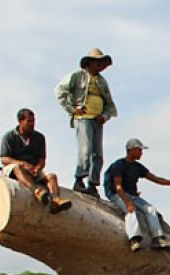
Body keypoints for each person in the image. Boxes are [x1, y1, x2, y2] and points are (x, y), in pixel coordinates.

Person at [104, 138, 170, 252]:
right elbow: (118, 186)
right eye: (139, 150)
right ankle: (134, 239)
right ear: (131, 150)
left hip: (133, 195)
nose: (141, 153)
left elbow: (156, 179)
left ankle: (157, 238)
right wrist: (127, 202)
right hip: (117, 194)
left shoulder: (137, 167)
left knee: (151, 209)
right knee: (131, 211)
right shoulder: (119, 164)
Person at [55, 48, 118, 197]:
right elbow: (60, 91)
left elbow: (109, 104)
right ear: (90, 63)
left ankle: (92, 184)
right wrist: (72, 109)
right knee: (85, 150)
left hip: (97, 120)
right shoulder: (77, 76)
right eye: (98, 63)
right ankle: (79, 180)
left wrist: (105, 116)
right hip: (83, 118)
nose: (101, 66)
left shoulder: (102, 81)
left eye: (102, 64)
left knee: (98, 155)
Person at [0, 108, 71, 213]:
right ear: (20, 121)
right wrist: (23, 164)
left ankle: (55, 200)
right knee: (17, 168)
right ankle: (36, 191)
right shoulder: (9, 136)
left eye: (33, 121)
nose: (32, 124)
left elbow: (42, 159)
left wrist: (38, 168)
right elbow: (4, 158)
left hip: (32, 169)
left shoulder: (39, 137)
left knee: (51, 177)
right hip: (14, 168)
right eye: (29, 121)